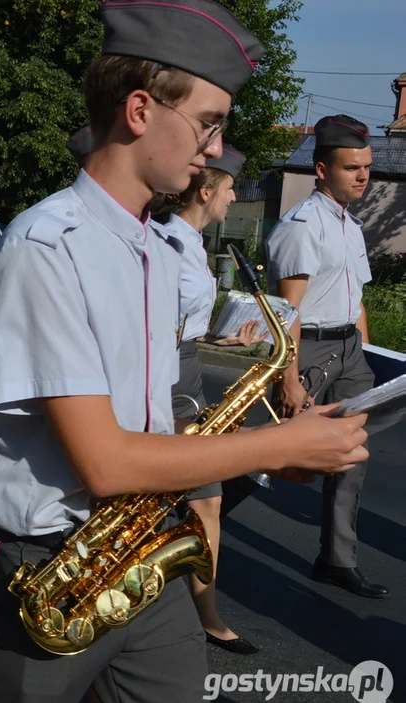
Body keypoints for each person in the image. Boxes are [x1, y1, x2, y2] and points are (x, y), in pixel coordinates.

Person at [0, 2, 369, 703]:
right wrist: (271, 443)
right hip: (51, 562)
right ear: (140, 109)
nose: (215, 146)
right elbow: (104, 462)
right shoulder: (49, 243)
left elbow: (151, 424)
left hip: (145, 552)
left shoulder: (151, 245)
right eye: (208, 120)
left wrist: (270, 450)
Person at [264, 114, 388, 599]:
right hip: (309, 347)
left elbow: (355, 300)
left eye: (367, 167)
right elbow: (286, 312)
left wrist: (365, 352)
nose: (363, 176)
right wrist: (289, 377)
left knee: (351, 455)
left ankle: (336, 561)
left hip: (349, 350)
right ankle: (202, 521)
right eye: (351, 167)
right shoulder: (301, 226)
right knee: (274, 456)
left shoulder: (350, 226)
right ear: (321, 169)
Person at [157, 144, 268, 655]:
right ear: (206, 191)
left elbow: (183, 327)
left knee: (201, 498)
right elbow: (156, 328)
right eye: (228, 191)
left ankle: (191, 603)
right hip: (171, 382)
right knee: (207, 500)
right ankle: (205, 615)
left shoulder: (194, 246)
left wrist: (226, 341)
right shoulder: (168, 245)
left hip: (189, 372)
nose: (232, 200)